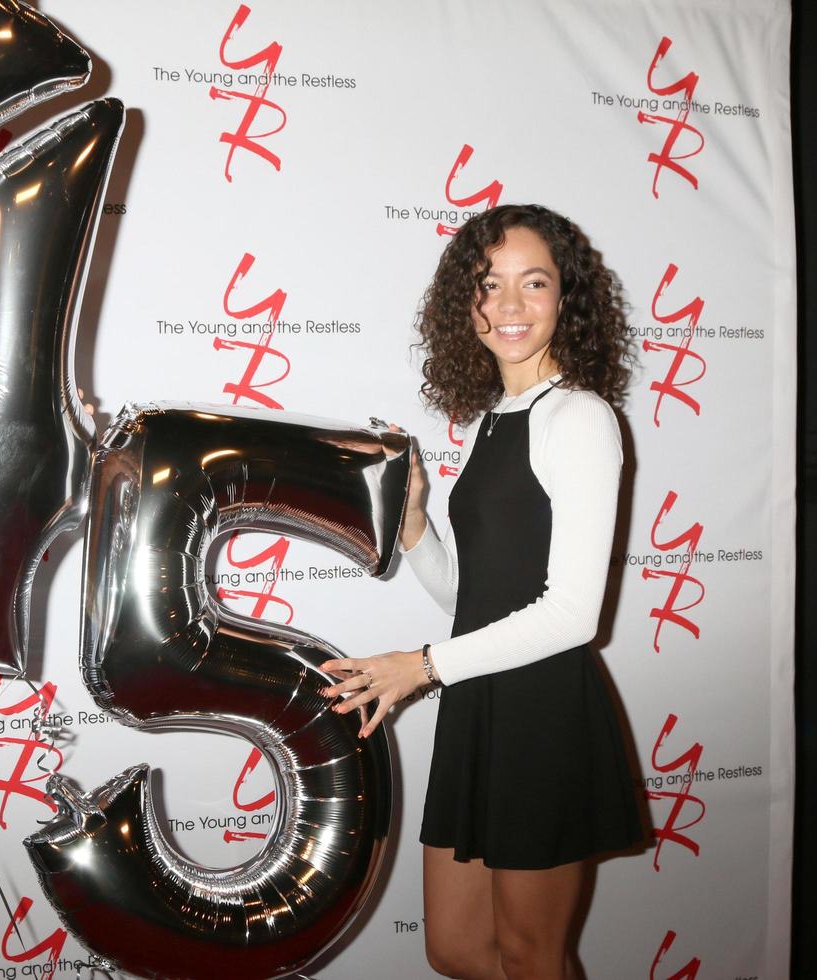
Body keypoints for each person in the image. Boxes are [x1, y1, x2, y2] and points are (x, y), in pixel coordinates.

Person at [322, 204, 644, 980]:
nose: (508, 306)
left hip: (540, 712)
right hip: (480, 698)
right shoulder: (498, 419)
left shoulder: (580, 417)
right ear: (464, 305)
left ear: (567, 299)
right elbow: (474, 594)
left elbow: (572, 616)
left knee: (535, 958)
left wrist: (421, 668)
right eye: (488, 285)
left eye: (532, 284)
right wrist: (415, 526)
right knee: (458, 950)